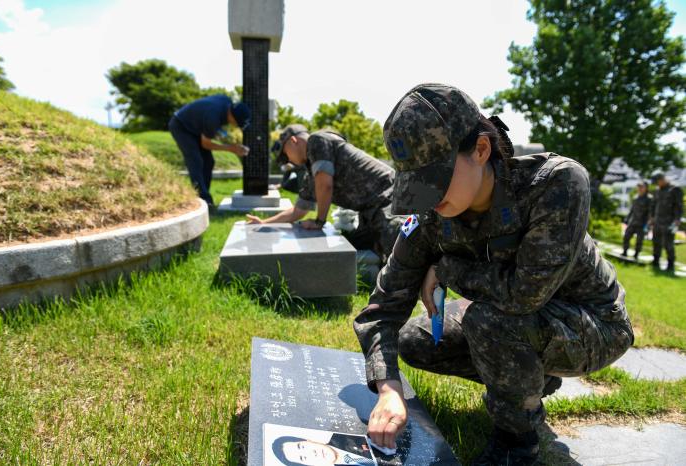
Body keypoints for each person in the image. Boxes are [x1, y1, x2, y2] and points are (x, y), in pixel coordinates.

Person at [353, 84, 634, 465]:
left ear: (481, 149)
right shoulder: (431, 215)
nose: (429, 198)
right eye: (417, 185)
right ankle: (530, 382)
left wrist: (446, 268)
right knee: (412, 339)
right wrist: (388, 389)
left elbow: (524, 294)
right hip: (517, 320)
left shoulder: (555, 185)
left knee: (488, 320)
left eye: (435, 179)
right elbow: (382, 308)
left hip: (592, 323)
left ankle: (517, 441)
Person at [247, 124, 402, 262]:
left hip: (391, 196)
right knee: (356, 248)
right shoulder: (312, 173)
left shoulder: (317, 140)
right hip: (369, 210)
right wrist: (263, 223)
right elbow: (298, 211)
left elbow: (325, 185)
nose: (288, 160)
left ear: (293, 141)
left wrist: (319, 221)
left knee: (401, 244)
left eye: (285, 154)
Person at [168, 94, 251, 207]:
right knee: (195, 160)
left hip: (195, 128)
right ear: (232, 117)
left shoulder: (226, 102)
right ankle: (204, 200)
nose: (236, 126)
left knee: (209, 161)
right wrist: (230, 148)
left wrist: (228, 142)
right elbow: (206, 144)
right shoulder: (213, 118)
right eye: (237, 124)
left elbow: (211, 131)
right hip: (180, 126)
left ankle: (202, 196)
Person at [650, 172, 683, 272]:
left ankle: (670, 264)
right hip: (657, 221)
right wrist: (651, 217)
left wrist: (677, 220)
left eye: (657, 182)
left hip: (669, 222)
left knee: (668, 244)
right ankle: (656, 261)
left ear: (662, 179)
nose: (656, 184)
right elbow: (654, 205)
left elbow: (679, 206)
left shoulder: (675, 189)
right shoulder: (657, 190)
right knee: (656, 242)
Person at [272, 434, 375, 466]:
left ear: (308, 440)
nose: (312, 453)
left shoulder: (345, 434)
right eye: (303, 457)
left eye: (301, 446)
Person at [622, 181, 652, 259]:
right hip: (633, 222)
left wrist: (649, 223)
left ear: (646, 188)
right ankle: (625, 252)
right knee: (626, 236)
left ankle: (636, 255)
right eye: (639, 187)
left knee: (639, 240)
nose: (640, 188)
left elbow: (650, 212)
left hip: (642, 223)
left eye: (642, 187)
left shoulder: (649, 199)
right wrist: (627, 218)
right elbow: (632, 210)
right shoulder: (635, 197)